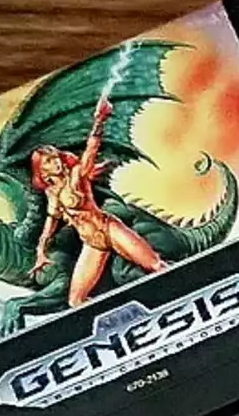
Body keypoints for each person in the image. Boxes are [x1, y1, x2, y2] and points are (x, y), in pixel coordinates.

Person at [30, 97, 165, 308]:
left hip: (108, 229)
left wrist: (99, 121)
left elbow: (90, 152)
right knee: (75, 301)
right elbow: (50, 225)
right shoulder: (52, 193)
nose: (56, 162)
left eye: (56, 157)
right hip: (93, 244)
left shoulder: (77, 175)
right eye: (49, 160)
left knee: (156, 266)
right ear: (42, 171)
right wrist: (40, 252)